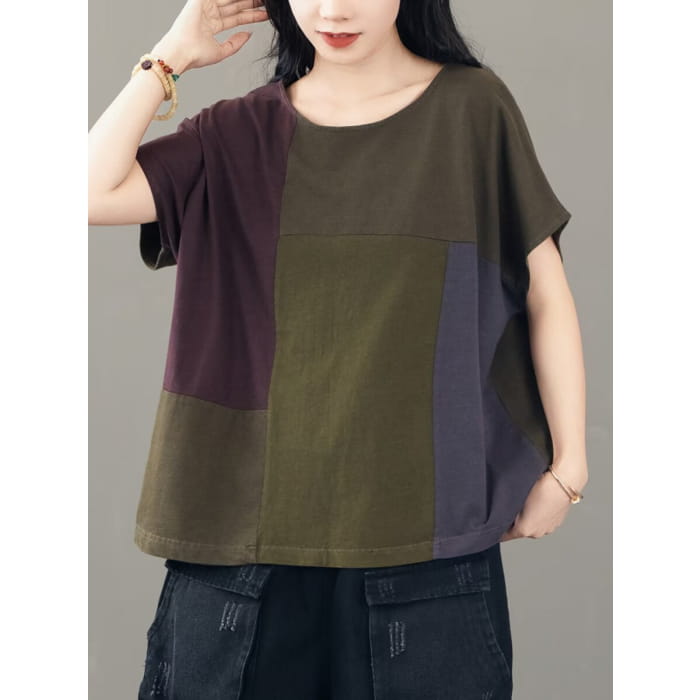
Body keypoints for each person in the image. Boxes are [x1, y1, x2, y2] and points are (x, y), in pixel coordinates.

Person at [88, 1, 589, 698]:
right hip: (240, 545)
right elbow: (85, 192)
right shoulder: (237, 134)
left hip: (425, 541)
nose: (333, 9)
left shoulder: (472, 110)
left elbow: (546, 295)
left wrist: (569, 468)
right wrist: (168, 57)